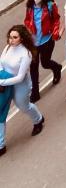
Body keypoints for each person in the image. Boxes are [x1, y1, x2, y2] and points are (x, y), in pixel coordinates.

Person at [0, 25, 45, 154]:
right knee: (1, 111)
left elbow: (20, 77)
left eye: (14, 37)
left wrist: (2, 81)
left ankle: (38, 119)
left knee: (24, 106)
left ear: (22, 38)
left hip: (20, 85)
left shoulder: (26, 54)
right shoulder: (8, 47)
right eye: (10, 37)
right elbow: (1, 62)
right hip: (5, 83)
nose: (11, 40)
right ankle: (1, 144)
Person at [24, 0, 62, 102]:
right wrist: (27, 32)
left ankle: (57, 68)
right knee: (33, 67)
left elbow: (56, 19)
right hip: (33, 43)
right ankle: (35, 92)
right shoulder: (30, 7)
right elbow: (26, 21)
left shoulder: (50, 6)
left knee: (45, 63)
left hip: (46, 40)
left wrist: (55, 32)